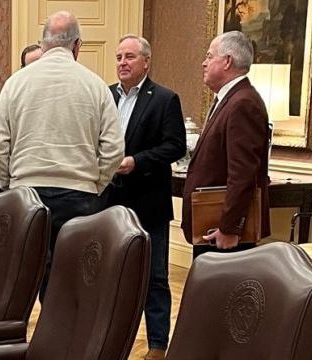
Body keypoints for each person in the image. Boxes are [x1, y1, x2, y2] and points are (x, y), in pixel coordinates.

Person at [0, 11, 124, 300]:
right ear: (77, 46)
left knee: (21, 278)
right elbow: (114, 148)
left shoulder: (16, 83)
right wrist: (96, 184)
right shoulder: (96, 85)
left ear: (43, 44)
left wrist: (10, 183)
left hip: (26, 193)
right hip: (80, 195)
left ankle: (18, 340)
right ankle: (65, 340)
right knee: (73, 281)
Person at [106, 34, 185, 360]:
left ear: (146, 62)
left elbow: (175, 146)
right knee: (113, 277)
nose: (123, 63)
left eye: (130, 57)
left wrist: (137, 162)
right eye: (119, 57)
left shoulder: (164, 99)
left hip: (148, 202)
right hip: (109, 203)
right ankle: (110, 339)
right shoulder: (105, 95)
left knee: (155, 278)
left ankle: (156, 346)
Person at [182, 31, 270, 259]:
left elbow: (242, 173)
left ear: (227, 61)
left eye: (209, 56)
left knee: (220, 293)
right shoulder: (230, 100)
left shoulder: (243, 103)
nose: (204, 62)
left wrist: (230, 227)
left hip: (224, 232)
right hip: (210, 224)